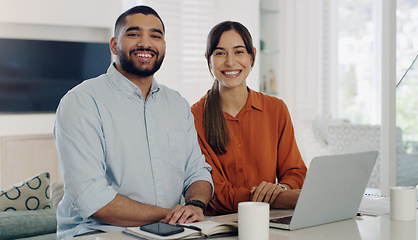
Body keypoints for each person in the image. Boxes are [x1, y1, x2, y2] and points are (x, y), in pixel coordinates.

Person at [54, 5, 213, 239]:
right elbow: (91, 198)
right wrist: (170, 215)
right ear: (114, 45)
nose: (146, 43)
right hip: (99, 233)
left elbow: (197, 172)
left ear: (164, 47)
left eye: (155, 36)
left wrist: (195, 205)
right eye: (134, 34)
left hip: (170, 231)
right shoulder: (81, 102)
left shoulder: (177, 104)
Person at [191, 21, 307, 215]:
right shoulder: (195, 117)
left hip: (270, 221)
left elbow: (295, 172)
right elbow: (219, 194)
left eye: (238, 52)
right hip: (218, 226)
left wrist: (282, 188)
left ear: (252, 55)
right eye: (220, 53)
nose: (230, 62)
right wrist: (288, 198)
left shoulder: (276, 109)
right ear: (208, 59)